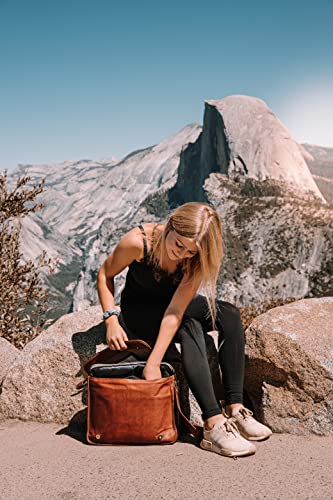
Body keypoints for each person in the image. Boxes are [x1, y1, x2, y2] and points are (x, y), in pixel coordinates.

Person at [97, 202, 272, 458]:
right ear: (170, 226)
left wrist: (154, 361)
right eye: (179, 245)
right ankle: (213, 424)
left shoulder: (196, 259)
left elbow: (175, 311)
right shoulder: (138, 242)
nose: (181, 254)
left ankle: (236, 408)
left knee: (230, 315)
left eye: (190, 251)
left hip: (173, 306)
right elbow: (104, 274)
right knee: (191, 327)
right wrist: (111, 320)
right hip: (141, 311)